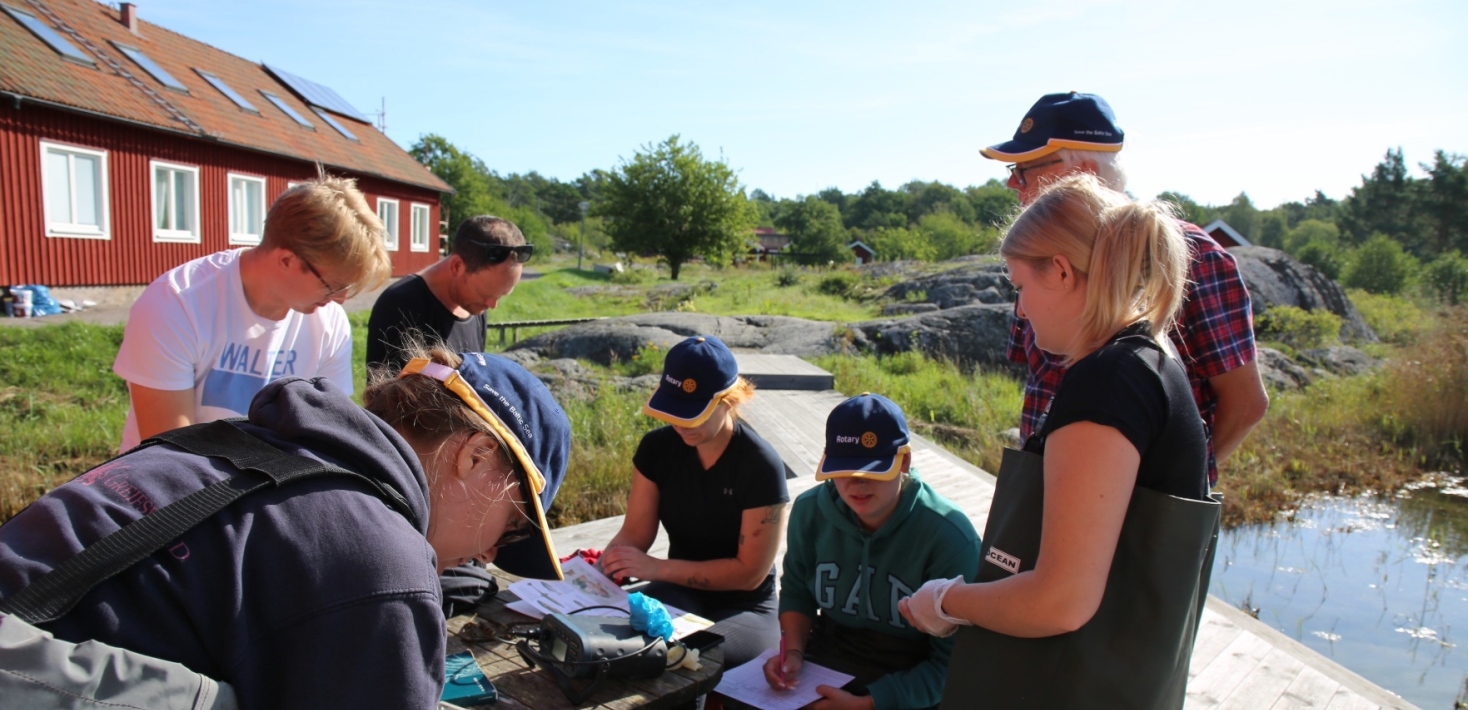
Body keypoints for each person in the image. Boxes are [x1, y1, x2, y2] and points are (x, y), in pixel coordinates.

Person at [0, 345, 571, 709]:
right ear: (473, 456)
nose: (491, 551)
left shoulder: (235, 444)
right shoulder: (381, 559)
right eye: (514, 526)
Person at [899, 175, 1221, 708]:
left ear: (1062, 272)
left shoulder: (1107, 382)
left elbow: (1061, 600)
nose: (1020, 311)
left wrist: (946, 601)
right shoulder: (1153, 364)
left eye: (1020, 286)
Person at [981, 91, 1268, 485]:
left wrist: (1170, 497)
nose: (1012, 183)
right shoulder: (1039, 263)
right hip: (1045, 494)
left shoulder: (1190, 256)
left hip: (1131, 528)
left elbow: (1246, 402)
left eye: (1025, 168)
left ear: (1083, 171)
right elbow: (1040, 382)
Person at [112, 176, 392, 451]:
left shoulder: (329, 322)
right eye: (333, 286)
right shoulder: (175, 303)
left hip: (266, 483)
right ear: (287, 260)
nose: (340, 300)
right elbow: (168, 453)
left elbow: (328, 434)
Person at [762, 393, 980, 710]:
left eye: (871, 471)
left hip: (911, 677)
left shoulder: (950, 538)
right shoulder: (810, 512)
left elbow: (955, 665)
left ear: (904, 462)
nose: (856, 485)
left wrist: (870, 704)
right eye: (843, 470)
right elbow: (797, 590)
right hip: (829, 656)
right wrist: (792, 653)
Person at [600, 335, 789, 669]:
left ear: (730, 401)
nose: (682, 424)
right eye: (674, 412)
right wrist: (601, 573)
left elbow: (749, 575)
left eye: (696, 414)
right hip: (678, 591)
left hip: (746, 607)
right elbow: (634, 535)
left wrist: (656, 568)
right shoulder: (657, 449)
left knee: (697, 657)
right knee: (619, 642)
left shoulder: (760, 465)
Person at [366, 215, 533, 373]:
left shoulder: (475, 307)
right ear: (457, 267)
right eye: (485, 294)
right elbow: (380, 397)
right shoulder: (400, 305)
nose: (492, 305)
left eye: (501, 295)